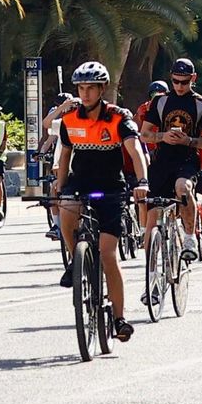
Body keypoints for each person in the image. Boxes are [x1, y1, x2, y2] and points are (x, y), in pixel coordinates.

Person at [53, 61, 145, 342]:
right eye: (81, 88)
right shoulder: (70, 119)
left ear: (102, 89)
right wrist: (59, 183)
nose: (85, 94)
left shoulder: (118, 118)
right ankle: (74, 259)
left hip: (111, 187)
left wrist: (142, 182)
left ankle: (119, 318)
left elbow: (136, 151)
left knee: (107, 254)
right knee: (66, 208)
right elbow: (65, 153)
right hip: (81, 181)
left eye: (91, 88)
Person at [138, 58, 202, 259]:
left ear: (193, 79)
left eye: (185, 82)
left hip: (187, 160)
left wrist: (189, 140)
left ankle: (190, 238)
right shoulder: (160, 101)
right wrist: (162, 136)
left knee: (183, 187)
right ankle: (150, 271)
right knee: (153, 216)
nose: (180, 86)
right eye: (176, 81)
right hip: (162, 160)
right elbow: (143, 134)